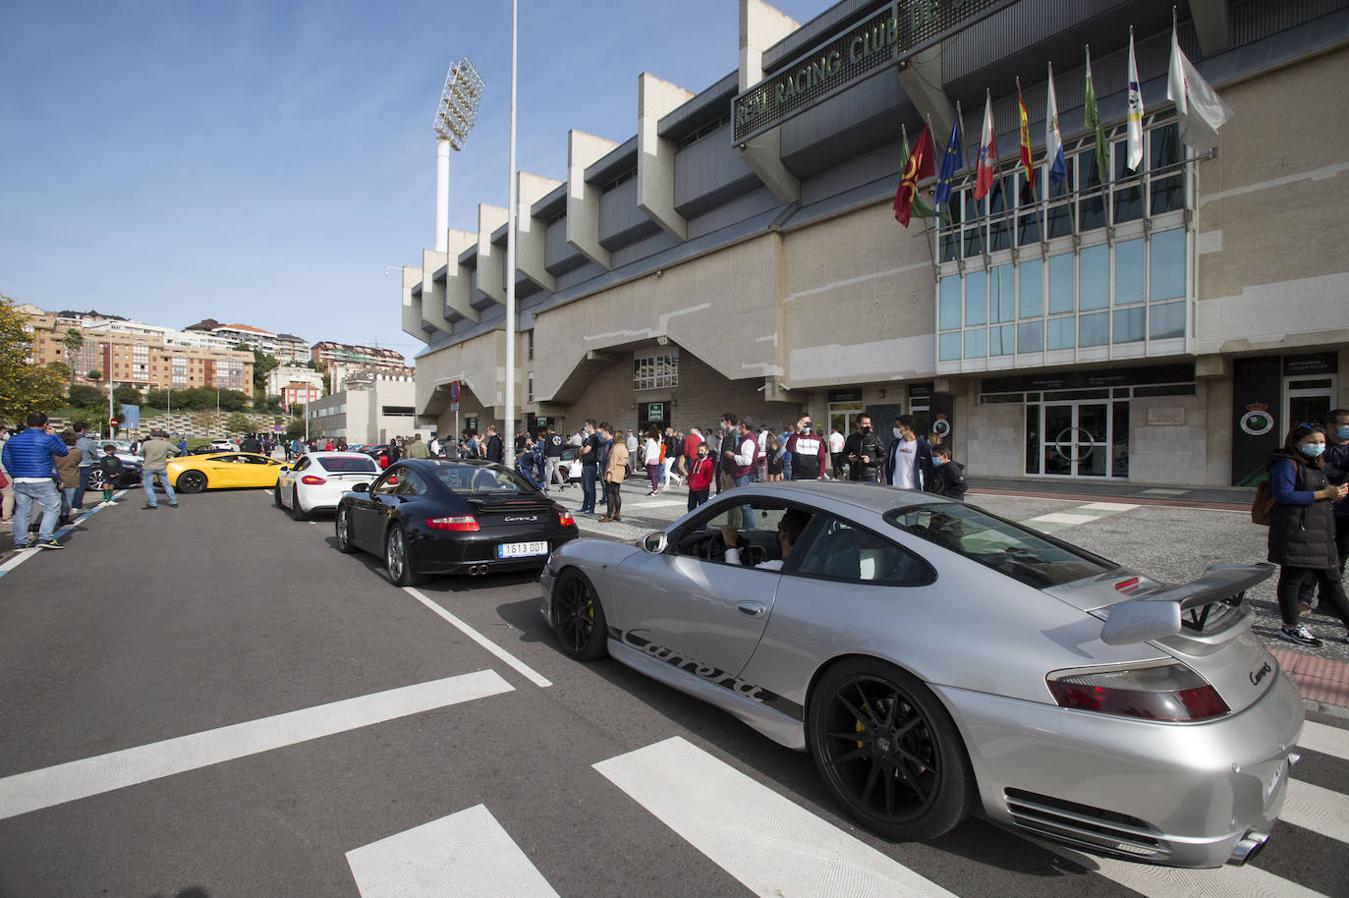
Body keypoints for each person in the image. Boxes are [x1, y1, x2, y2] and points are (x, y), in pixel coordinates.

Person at [1265, 423, 1349, 647]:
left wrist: (1334, 495)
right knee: (1293, 577)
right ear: (1296, 442)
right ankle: (1290, 626)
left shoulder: (1316, 464)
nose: (1318, 446)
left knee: (1332, 580)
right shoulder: (1286, 464)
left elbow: (1314, 494)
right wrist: (1324, 493)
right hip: (1297, 532)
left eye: (1321, 442)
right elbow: (1283, 494)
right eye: (1312, 442)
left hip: (1320, 532)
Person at [3, 413, 69, 550]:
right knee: (52, 506)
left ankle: (20, 541)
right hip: (42, 478)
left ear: (27, 423)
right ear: (45, 424)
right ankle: (45, 537)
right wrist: (55, 435)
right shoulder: (47, 439)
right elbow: (63, 452)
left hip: (20, 480)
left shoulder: (13, 440)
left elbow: (6, 459)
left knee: (22, 511)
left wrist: (14, 474)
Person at [721, 507, 812, 571]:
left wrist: (731, 546)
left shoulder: (775, 568)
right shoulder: (814, 563)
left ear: (783, 534)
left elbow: (735, 580)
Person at [886, 415, 934, 491]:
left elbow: (929, 470)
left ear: (907, 428)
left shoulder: (923, 447)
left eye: (898, 426)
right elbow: (888, 464)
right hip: (895, 489)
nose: (895, 429)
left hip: (914, 491)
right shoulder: (894, 444)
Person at [139, 430, 180, 509]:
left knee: (148, 486)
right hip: (161, 466)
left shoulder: (146, 443)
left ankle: (153, 503)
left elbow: (139, 453)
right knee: (167, 485)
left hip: (149, 467)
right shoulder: (166, 444)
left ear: (151, 436)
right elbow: (178, 450)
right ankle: (173, 501)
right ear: (161, 436)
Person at [600, 428, 629, 523]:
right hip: (620, 472)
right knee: (616, 493)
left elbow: (612, 462)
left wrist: (609, 473)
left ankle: (609, 515)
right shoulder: (624, 447)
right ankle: (617, 513)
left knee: (610, 494)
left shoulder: (615, 448)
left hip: (614, 472)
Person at [784, 414, 827, 481]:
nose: (806, 425)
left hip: (813, 475)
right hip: (797, 476)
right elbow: (789, 448)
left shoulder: (817, 439)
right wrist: (797, 432)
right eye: (803, 422)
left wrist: (820, 474)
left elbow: (822, 458)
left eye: (808, 422)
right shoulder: (795, 437)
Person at [844, 415, 883, 483]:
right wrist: (848, 458)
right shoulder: (851, 438)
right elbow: (842, 456)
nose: (867, 426)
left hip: (870, 477)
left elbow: (884, 458)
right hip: (854, 477)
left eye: (869, 423)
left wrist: (870, 460)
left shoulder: (875, 438)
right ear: (858, 424)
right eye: (865, 423)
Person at [55, 430, 81, 526]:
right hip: (71, 477)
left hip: (56, 477)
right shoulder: (76, 452)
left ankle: (53, 518)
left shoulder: (55, 452)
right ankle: (64, 518)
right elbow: (78, 461)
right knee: (67, 500)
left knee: (55, 500)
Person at [72, 421, 100, 513]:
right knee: (80, 486)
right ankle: (77, 506)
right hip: (84, 465)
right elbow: (95, 454)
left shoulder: (68, 439)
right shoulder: (87, 441)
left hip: (70, 465)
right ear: (83, 430)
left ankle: (69, 505)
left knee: (70, 487)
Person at [578, 419, 601, 515]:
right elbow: (582, 449)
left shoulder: (593, 438)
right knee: (585, 488)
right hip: (585, 465)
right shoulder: (588, 438)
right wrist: (581, 450)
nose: (585, 427)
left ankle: (591, 508)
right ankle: (585, 506)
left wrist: (581, 450)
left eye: (586, 425)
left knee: (590, 488)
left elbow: (585, 450)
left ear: (590, 426)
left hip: (590, 465)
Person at [685, 441, 715, 510]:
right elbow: (691, 473)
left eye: (702, 450)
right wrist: (689, 482)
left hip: (702, 490)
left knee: (702, 508)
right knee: (691, 507)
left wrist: (701, 485)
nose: (700, 452)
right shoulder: (695, 461)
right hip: (692, 488)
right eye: (699, 450)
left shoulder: (708, 463)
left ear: (707, 451)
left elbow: (709, 478)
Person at [97, 444, 123, 508]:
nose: (112, 451)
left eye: (113, 450)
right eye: (110, 450)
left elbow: (120, 467)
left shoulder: (117, 459)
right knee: (106, 485)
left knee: (111, 486)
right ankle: (105, 500)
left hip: (115, 475)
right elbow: (103, 467)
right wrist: (110, 473)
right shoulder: (103, 459)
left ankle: (110, 499)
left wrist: (117, 473)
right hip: (107, 475)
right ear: (106, 451)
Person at [543, 426, 566, 491]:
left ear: (549, 430)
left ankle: (548, 486)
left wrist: (545, 454)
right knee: (557, 471)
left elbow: (546, 447)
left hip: (550, 456)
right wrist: (560, 454)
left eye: (547, 430)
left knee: (549, 471)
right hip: (558, 456)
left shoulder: (548, 437)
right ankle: (562, 485)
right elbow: (562, 447)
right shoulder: (559, 437)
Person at [644, 428, 663, 496]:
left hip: (651, 459)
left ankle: (655, 490)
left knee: (652, 475)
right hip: (656, 459)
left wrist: (646, 460)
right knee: (655, 475)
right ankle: (656, 489)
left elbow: (648, 451)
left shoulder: (650, 441)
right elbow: (659, 450)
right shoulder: (657, 441)